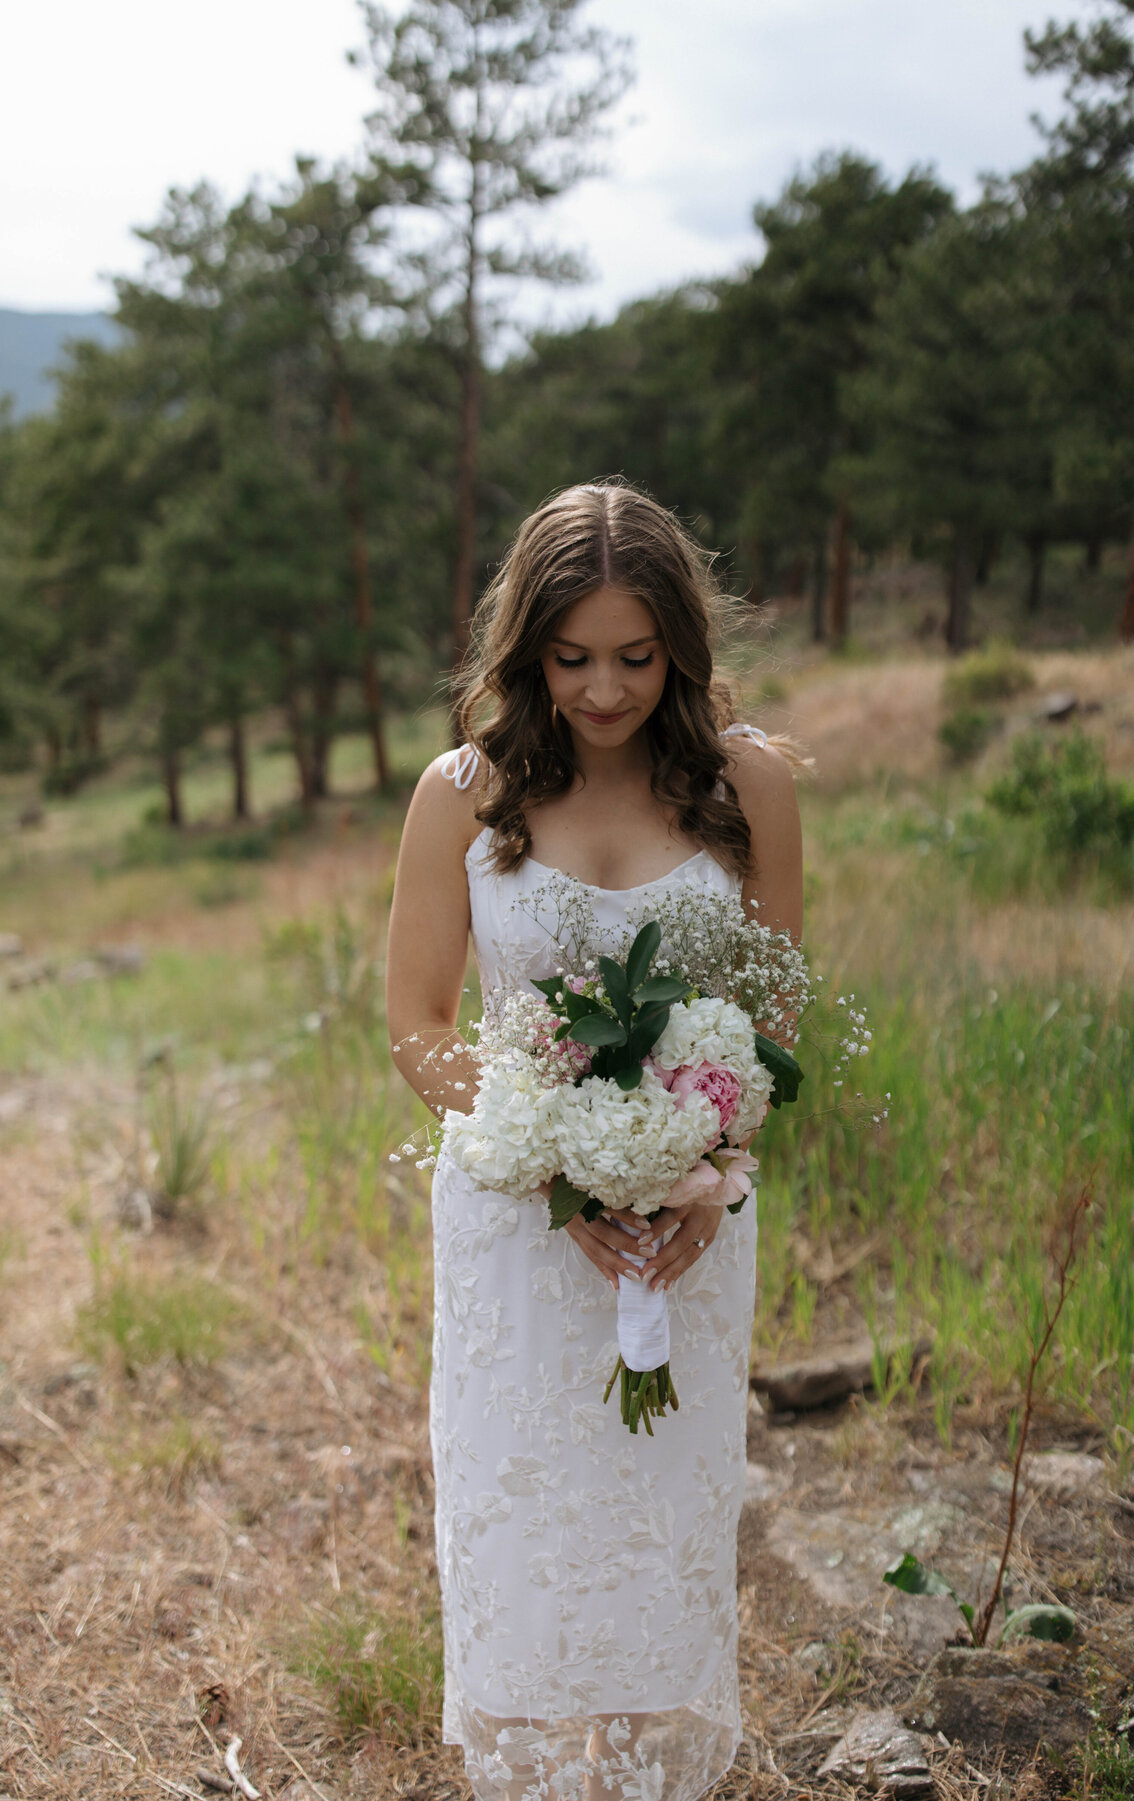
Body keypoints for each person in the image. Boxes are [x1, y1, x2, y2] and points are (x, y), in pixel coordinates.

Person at [386, 479, 802, 1801]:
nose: (606, 689)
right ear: (526, 648)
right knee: (530, 1533)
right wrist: (550, 1152)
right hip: (518, 1223)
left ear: (680, 640)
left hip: (688, 1222)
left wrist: (706, 1173)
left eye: (635, 656)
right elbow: (416, 1022)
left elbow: (774, 1012)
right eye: (572, 659)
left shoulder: (752, 785)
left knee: (657, 1521)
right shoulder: (463, 794)